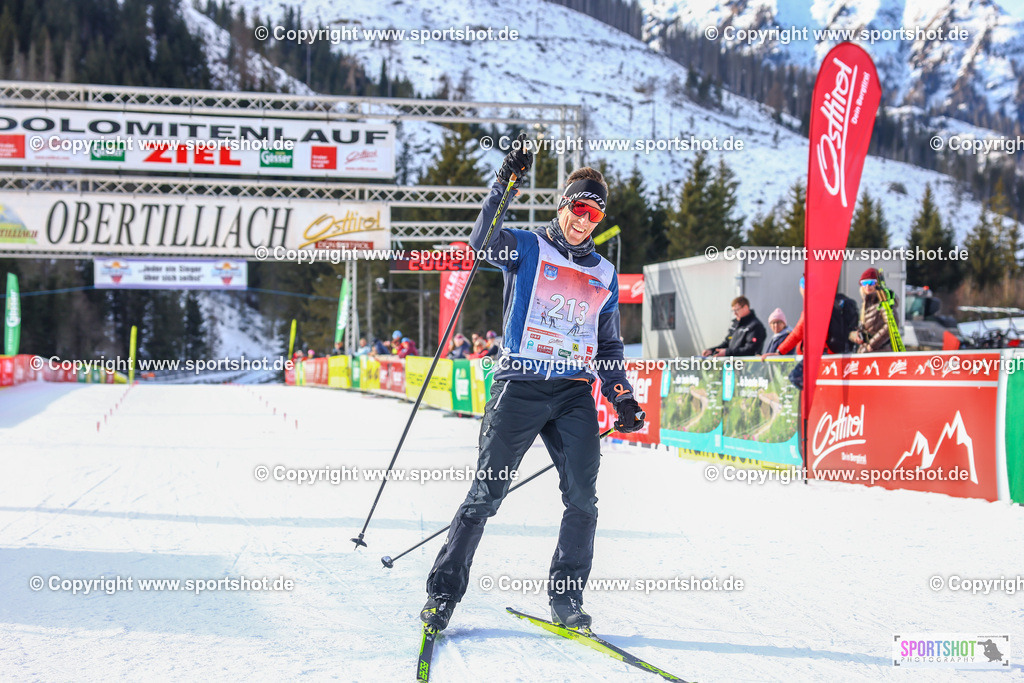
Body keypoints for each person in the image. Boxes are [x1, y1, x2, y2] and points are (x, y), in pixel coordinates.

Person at [420, 139, 644, 634]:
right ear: (564, 206)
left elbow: (607, 347)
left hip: (571, 394)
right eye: (578, 208)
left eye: (594, 213)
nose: (584, 219)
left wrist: (621, 395)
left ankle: (566, 601)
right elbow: (481, 244)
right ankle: (442, 595)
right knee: (487, 495)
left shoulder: (605, 275)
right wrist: (505, 180)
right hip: (519, 385)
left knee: (583, 499)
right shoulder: (526, 246)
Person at [851, 268, 895, 353]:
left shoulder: (884, 301)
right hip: (867, 352)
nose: (867, 286)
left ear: (878, 285)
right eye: (864, 283)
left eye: (871, 283)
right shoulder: (866, 303)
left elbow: (890, 326)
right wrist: (856, 336)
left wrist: (871, 345)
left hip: (880, 353)